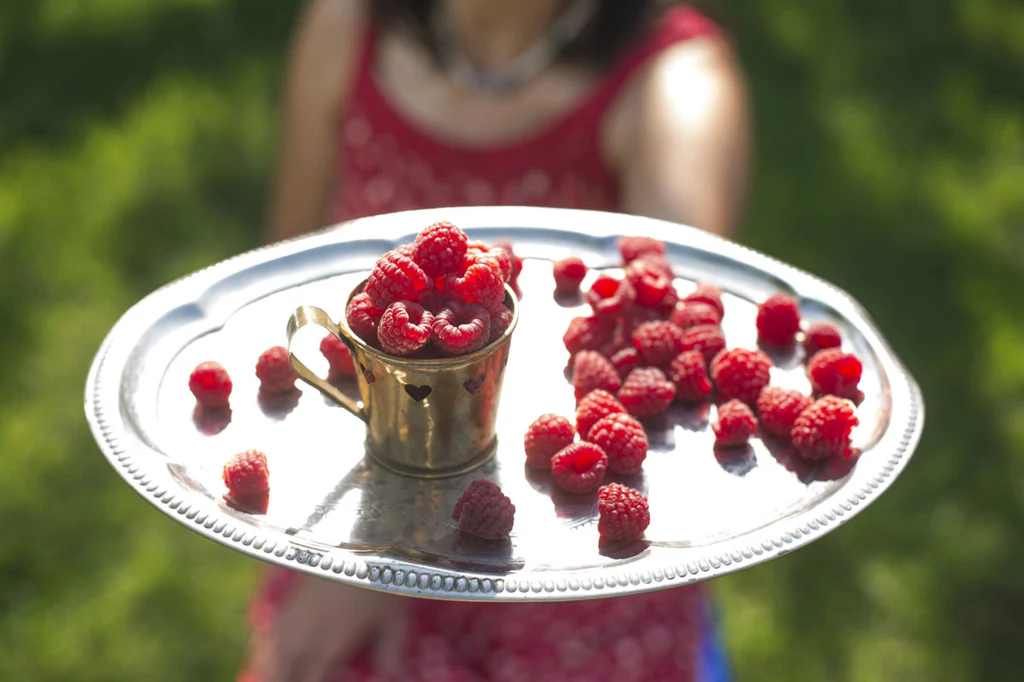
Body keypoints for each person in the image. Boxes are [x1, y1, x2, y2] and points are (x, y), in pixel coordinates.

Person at [246, 0, 750, 679]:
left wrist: (381, 564)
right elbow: (282, 298)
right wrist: (360, 559)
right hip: (356, 532)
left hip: (567, 586)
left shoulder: (671, 88)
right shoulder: (348, 29)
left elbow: (671, 373)